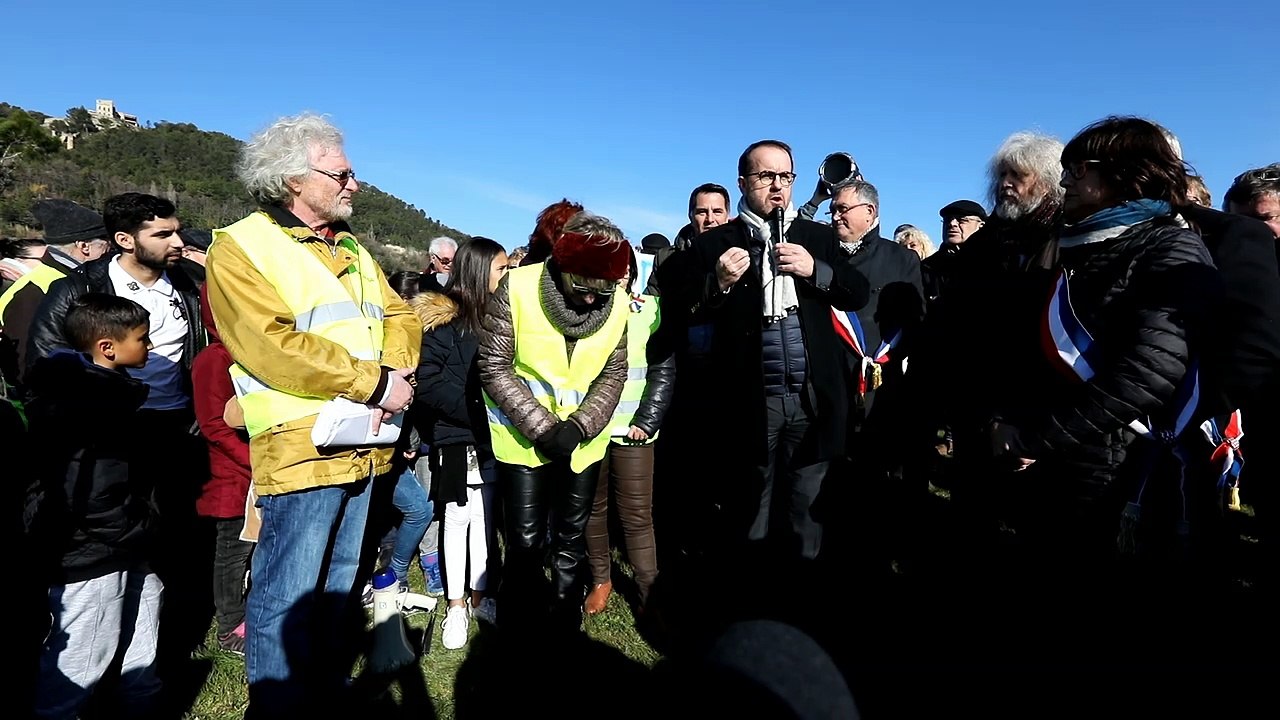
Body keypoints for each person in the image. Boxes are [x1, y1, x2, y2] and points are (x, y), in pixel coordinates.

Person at [204, 113, 421, 716]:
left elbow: (401, 316)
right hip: (303, 447)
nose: (355, 184)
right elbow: (268, 345)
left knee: (338, 583)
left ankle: (319, 695)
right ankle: (277, 706)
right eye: (343, 173)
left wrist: (395, 374)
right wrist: (376, 381)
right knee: (287, 590)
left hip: (366, 439)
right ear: (293, 179)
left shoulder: (351, 248)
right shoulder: (242, 246)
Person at [985, 116, 1221, 661]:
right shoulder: (1077, 247)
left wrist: (1036, 437)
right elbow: (1029, 351)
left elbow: (1148, 374)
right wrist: (1007, 419)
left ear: (1121, 174)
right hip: (1056, 464)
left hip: (1118, 475)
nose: (1064, 181)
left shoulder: (1171, 250)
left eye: (1077, 169)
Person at [672, 139, 869, 598]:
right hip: (749, 399)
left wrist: (816, 271)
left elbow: (856, 292)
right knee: (750, 507)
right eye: (766, 176)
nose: (778, 186)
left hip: (810, 398)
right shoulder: (717, 243)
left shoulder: (818, 237)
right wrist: (715, 283)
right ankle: (749, 600)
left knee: (806, 506)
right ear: (744, 183)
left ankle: (802, 601)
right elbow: (678, 304)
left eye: (786, 176)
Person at [26, 192, 209, 666]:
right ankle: (94, 644)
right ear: (124, 240)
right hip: (112, 435)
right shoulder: (78, 291)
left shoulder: (189, 284)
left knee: (174, 534)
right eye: (163, 234)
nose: (177, 241)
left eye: (177, 230)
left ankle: (159, 642)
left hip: (178, 431)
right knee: (114, 534)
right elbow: (46, 367)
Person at [478, 210, 632, 635]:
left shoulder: (617, 303)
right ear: (561, 266)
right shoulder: (520, 286)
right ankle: (520, 624)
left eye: (602, 290)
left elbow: (613, 372)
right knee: (526, 543)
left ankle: (565, 622)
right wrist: (543, 427)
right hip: (524, 441)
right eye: (581, 287)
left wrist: (580, 426)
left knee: (570, 538)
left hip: (583, 443)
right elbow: (493, 364)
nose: (590, 299)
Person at [24, 294, 159, 720]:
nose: (151, 345)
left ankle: (140, 701)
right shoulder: (89, 408)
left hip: (124, 541)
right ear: (108, 347)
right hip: (93, 553)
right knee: (86, 648)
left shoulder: (108, 396)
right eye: (143, 338)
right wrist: (132, 529)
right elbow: (91, 492)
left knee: (143, 615)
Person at [412, 236, 508, 649]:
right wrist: (475, 413)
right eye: (501, 269)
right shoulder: (440, 322)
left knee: (486, 521)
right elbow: (428, 382)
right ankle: (455, 604)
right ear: (479, 270)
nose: (507, 276)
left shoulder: (503, 319)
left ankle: (481, 596)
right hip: (456, 438)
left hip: (494, 439)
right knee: (456, 519)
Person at [584, 250, 675, 617]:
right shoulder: (581, 310)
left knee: (637, 516)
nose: (618, 273)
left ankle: (649, 591)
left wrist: (648, 420)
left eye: (625, 267)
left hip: (635, 432)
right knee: (593, 511)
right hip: (590, 431)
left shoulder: (652, 309)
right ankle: (601, 579)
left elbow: (663, 370)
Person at [190, 284, 254, 655]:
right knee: (231, 553)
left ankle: (246, 615)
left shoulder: (246, 353)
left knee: (249, 549)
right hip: (228, 475)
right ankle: (230, 627)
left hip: (249, 472)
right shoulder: (214, 359)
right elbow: (214, 425)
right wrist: (253, 461)